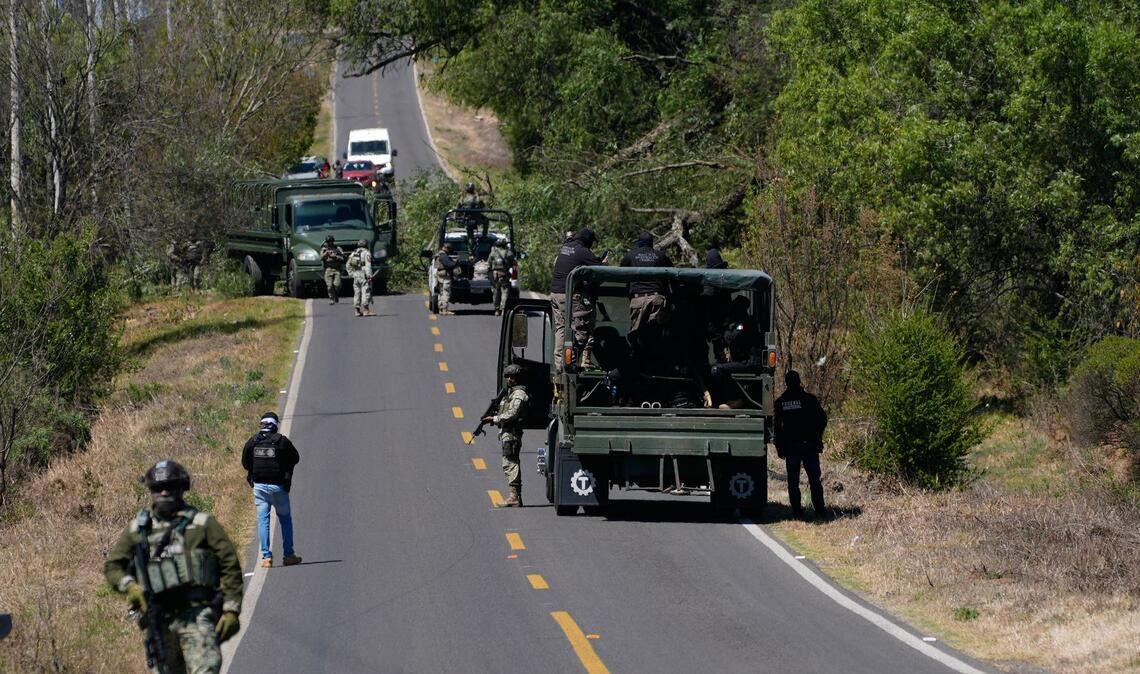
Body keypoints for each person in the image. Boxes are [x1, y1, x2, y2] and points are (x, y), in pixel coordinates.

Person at [104, 460, 243, 674]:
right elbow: (113, 566)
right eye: (158, 488)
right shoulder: (138, 530)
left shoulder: (202, 524)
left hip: (197, 615)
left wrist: (231, 610)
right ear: (151, 491)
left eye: (170, 486)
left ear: (182, 488)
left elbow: (230, 564)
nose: (164, 492)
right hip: (159, 620)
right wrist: (130, 586)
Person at [241, 412, 302, 568]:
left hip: (259, 487)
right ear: (275, 425)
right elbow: (295, 457)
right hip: (278, 487)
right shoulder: (281, 441)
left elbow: (245, 462)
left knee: (263, 520)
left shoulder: (253, 441)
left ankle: (266, 558)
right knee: (285, 520)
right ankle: (288, 555)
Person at [773, 370, 828, 520]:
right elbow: (822, 419)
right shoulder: (809, 399)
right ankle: (820, 511)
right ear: (799, 381)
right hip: (809, 444)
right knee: (814, 480)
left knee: (793, 481)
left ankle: (797, 512)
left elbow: (777, 428)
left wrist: (779, 447)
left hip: (791, 446)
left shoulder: (781, 403)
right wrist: (818, 437)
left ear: (787, 383)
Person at [550, 228, 607, 368]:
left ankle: (560, 365)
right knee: (582, 328)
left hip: (555, 294)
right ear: (588, 241)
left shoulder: (565, 247)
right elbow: (599, 269)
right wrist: (604, 262)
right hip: (570, 295)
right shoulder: (583, 251)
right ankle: (570, 364)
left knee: (561, 329)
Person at [481, 364, 529, 507]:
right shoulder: (510, 394)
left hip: (512, 433)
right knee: (508, 462)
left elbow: (512, 414)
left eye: (512, 376)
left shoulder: (519, 394)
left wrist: (495, 419)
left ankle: (514, 497)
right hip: (507, 432)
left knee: (510, 463)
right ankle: (515, 497)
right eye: (507, 376)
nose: (509, 379)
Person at [620, 230, 673, 342]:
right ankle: (653, 357)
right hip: (656, 299)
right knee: (655, 334)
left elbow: (621, 274)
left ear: (639, 243)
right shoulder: (661, 256)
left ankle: (637, 356)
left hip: (637, 299)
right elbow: (673, 274)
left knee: (636, 333)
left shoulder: (630, 256)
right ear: (651, 243)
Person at [346, 239, 374, 317]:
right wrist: (369, 275)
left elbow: (348, 264)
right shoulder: (367, 253)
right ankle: (366, 310)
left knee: (357, 293)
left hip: (356, 274)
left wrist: (351, 274)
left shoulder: (354, 252)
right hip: (363, 274)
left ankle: (357, 311)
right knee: (365, 291)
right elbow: (368, 265)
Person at [488, 239, 514, 316]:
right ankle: (503, 310)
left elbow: (488, 265)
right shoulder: (509, 253)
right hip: (504, 275)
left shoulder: (493, 253)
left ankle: (496, 310)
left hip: (495, 275)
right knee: (504, 293)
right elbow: (513, 264)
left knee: (496, 293)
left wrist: (490, 275)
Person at [320, 235, 345, 305]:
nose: (330, 243)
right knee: (329, 285)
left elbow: (343, 257)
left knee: (337, 284)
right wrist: (326, 253)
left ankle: (336, 294)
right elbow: (321, 258)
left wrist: (336, 257)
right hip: (328, 269)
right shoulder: (324, 249)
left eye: (331, 241)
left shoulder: (338, 248)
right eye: (328, 242)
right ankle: (331, 298)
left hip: (337, 269)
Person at [434, 243, 458, 315]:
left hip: (441, 277)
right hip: (445, 277)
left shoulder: (439, 255)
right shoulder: (443, 256)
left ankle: (441, 309)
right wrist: (456, 263)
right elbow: (449, 265)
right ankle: (444, 309)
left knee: (441, 293)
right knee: (446, 293)